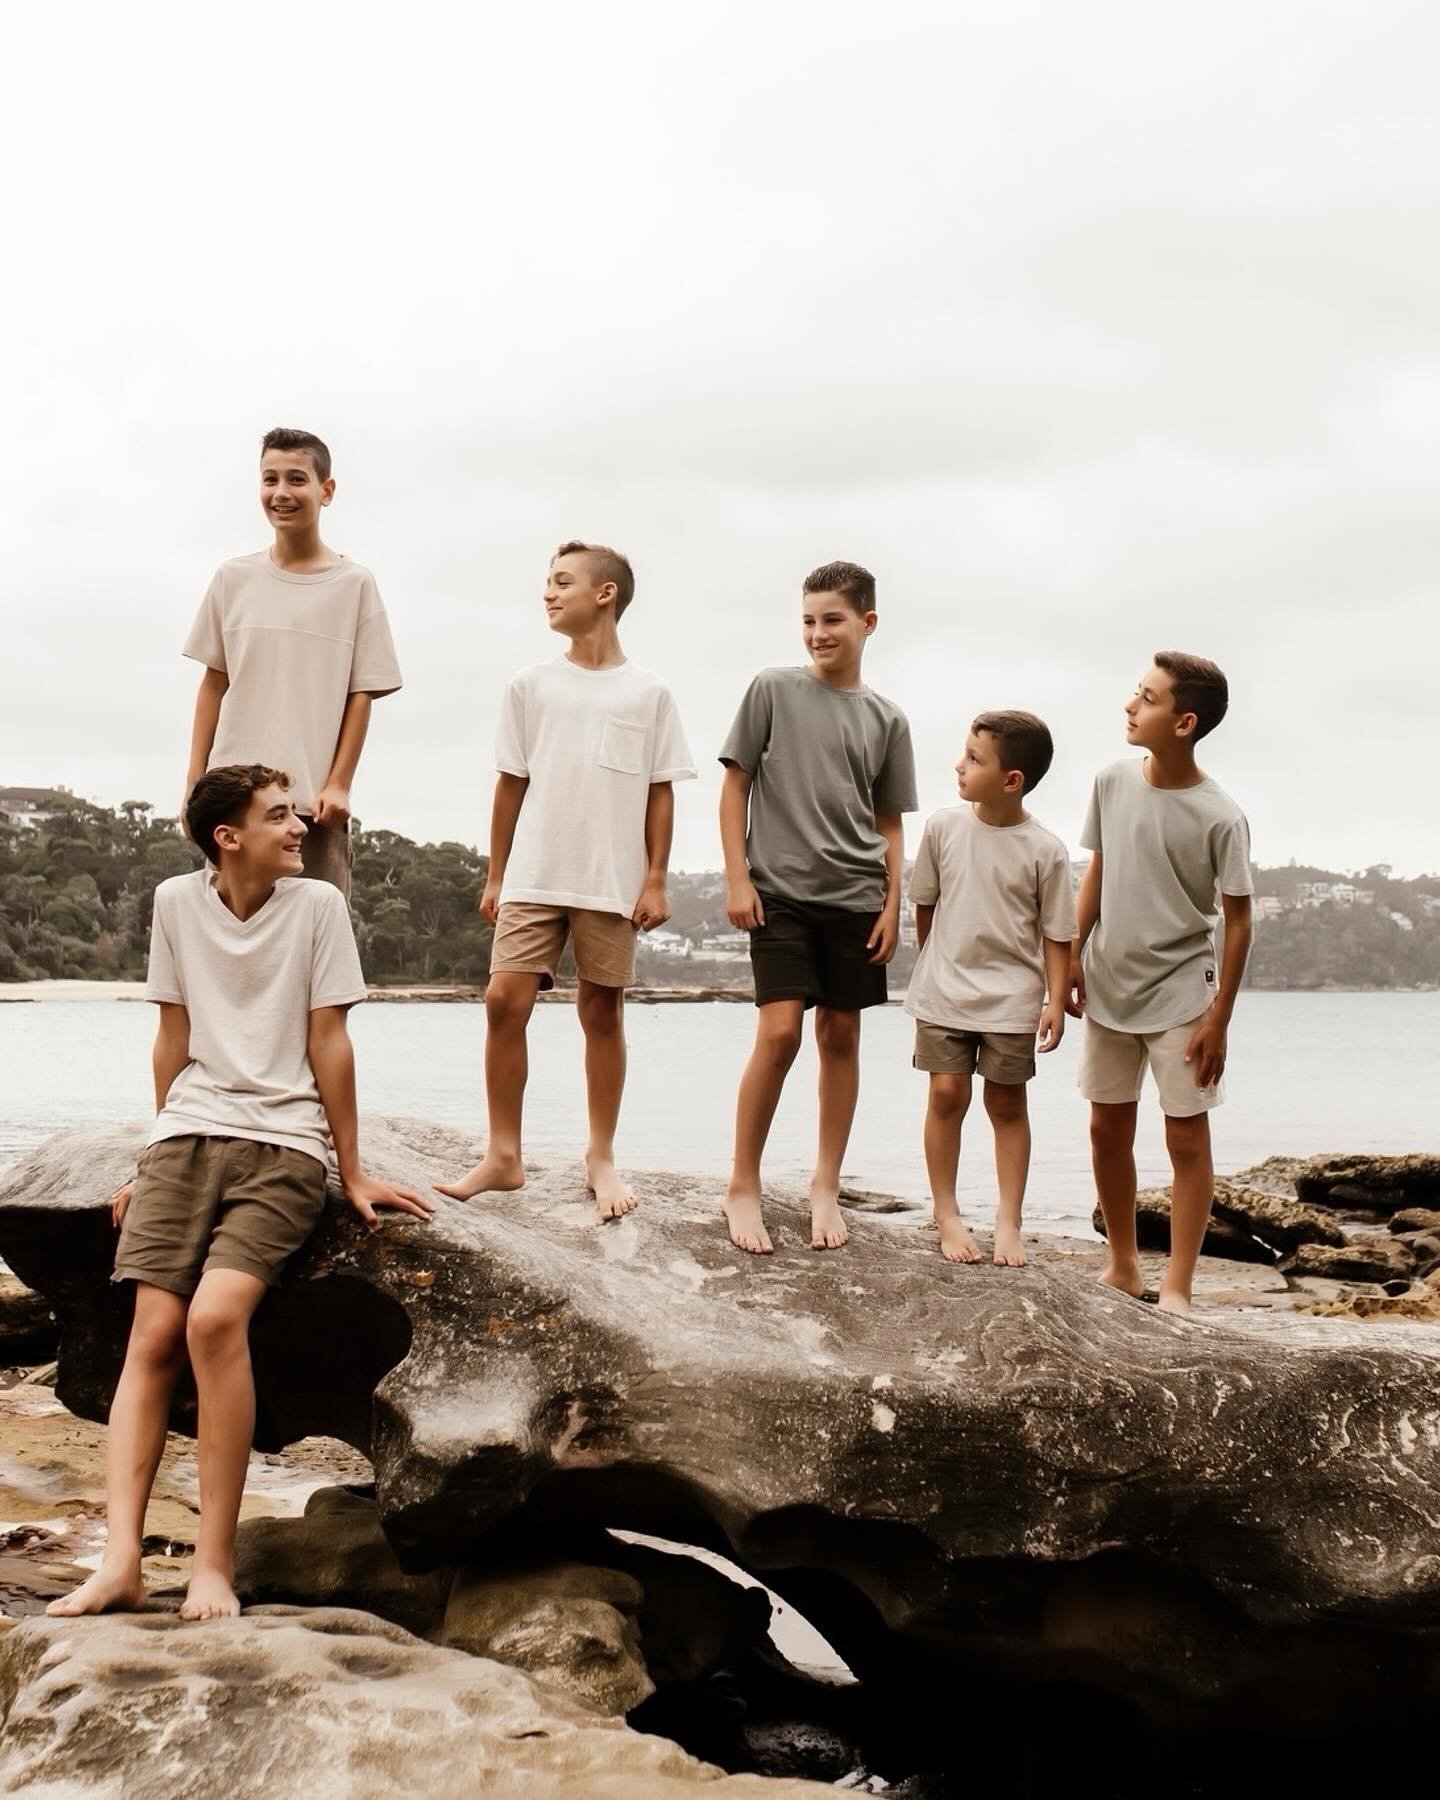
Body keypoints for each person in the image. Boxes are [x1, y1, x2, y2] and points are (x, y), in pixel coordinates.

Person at [47, 765, 431, 1622]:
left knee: (214, 1320)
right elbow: (172, 1035)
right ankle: (121, 1563)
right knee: (151, 1331)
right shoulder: (177, 903)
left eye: (296, 814)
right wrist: (152, 1152)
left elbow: (328, 1040)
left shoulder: (319, 907)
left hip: (284, 1147)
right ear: (228, 837)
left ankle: (214, 1565)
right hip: (186, 1136)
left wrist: (352, 1166)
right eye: (279, 817)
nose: (300, 829)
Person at [435, 542, 694, 1221]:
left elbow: (661, 792)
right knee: (502, 1000)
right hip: (533, 874)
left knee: (602, 1012)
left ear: (604, 594)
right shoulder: (529, 685)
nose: (547, 594)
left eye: (561, 582)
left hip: (611, 879)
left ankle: (601, 1156)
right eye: (546, 583)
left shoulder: (649, 692)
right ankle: (503, 1155)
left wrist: (657, 879)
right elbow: (510, 785)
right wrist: (496, 874)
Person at [719, 560, 917, 1255]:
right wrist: (738, 878)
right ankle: (742, 1183)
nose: (817, 633)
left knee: (841, 1037)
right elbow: (735, 786)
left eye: (832, 619)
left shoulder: (888, 718)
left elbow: (889, 822)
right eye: (808, 620)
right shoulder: (772, 689)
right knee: (779, 1035)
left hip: (859, 897)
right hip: (778, 893)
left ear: (866, 623)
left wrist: (895, 905)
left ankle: (825, 1183)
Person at [1070, 652, 1254, 1314]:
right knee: (1105, 1129)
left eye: (1146, 698)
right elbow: (1097, 869)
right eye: (1134, 692)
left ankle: (1176, 1284)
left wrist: (1218, 1019)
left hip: (1182, 995)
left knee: (1185, 1137)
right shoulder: (1111, 782)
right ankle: (1122, 1265)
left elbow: (1238, 921)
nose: (1129, 705)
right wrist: (1071, 950)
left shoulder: (1220, 816)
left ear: (1183, 722)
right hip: (1108, 986)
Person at [180, 427, 403, 899]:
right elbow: (213, 684)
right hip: (232, 804)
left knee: (315, 946)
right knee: (229, 944)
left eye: (296, 479)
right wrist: (194, 785)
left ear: (326, 490)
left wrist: (339, 784)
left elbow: (361, 695)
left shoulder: (355, 585)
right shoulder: (232, 578)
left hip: (311, 808)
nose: (281, 493)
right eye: (269, 479)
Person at [907, 712, 1076, 1267]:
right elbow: (925, 906)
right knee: (946, 1095)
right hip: (944, 992)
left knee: (1006, 1103)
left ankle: (1009, 1219)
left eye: (976, 759)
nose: (960, 764)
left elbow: (1057, 935)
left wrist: (1054, 1001)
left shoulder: (1045, 850)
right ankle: (947, 1212)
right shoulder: (942, 827)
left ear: (1012, 781)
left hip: (1011, 999)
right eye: (964, 752)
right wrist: (936, 966)